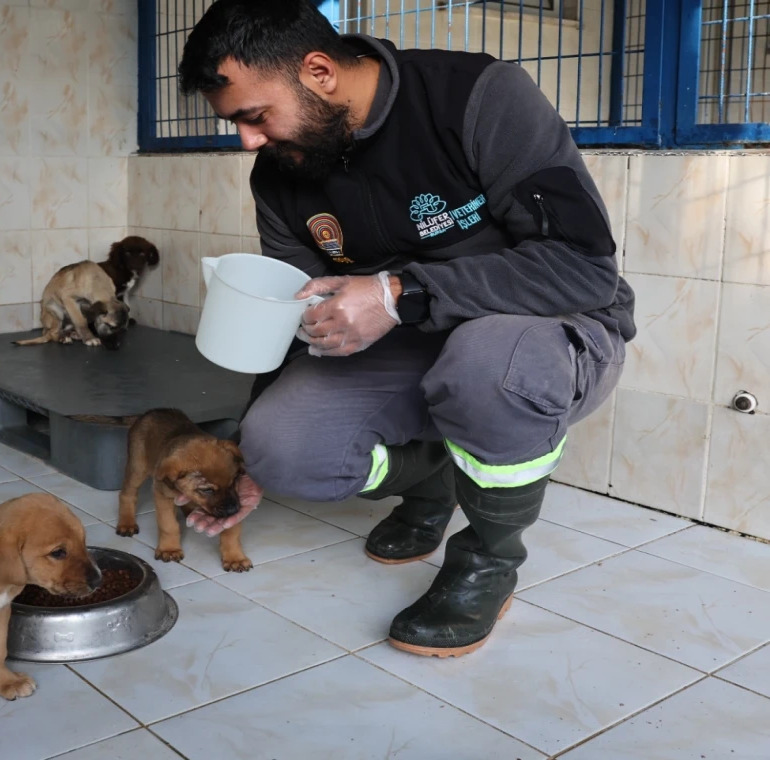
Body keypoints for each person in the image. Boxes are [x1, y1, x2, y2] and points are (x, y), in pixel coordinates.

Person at [177, 0, 634, 657]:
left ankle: (486, 560)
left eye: (255, 116)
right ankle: (436, 478)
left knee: (485, 362)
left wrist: (398, 292)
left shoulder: (476, 97)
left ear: (318, 71)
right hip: (416, 345)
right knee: (282, 446)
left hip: (546, 332)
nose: (248, 141)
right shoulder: (281, 176)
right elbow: (292, 311)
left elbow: (580, 266)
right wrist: (249, 456)